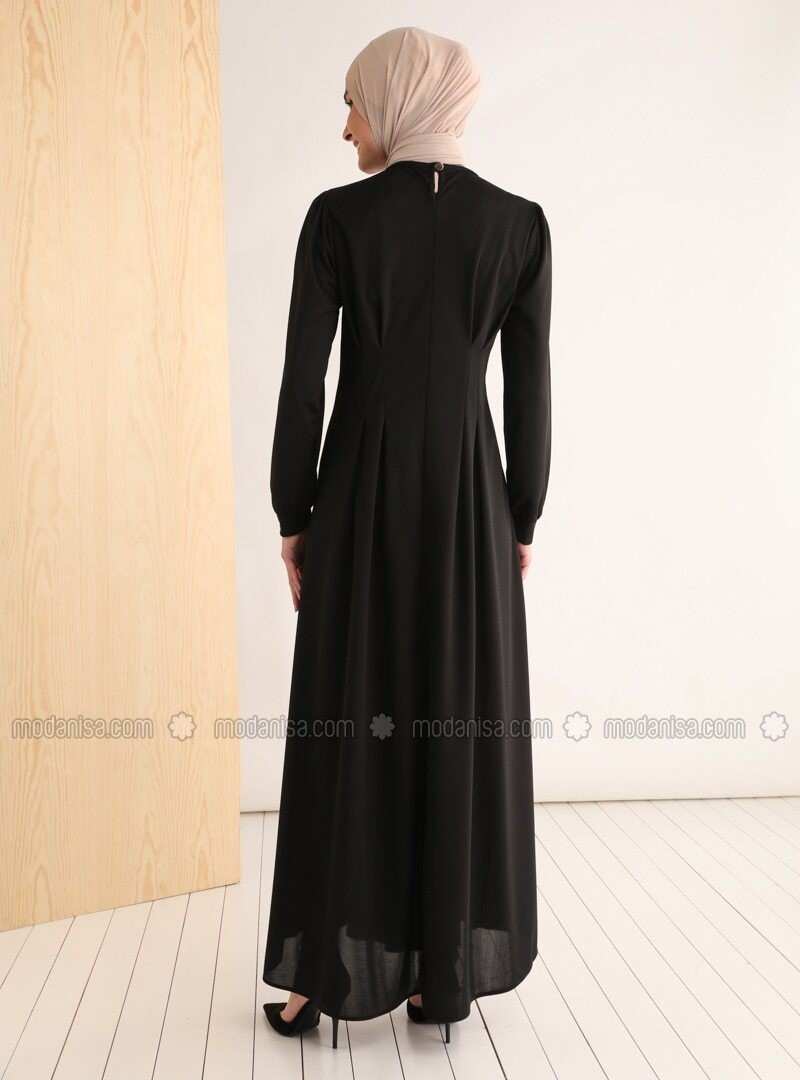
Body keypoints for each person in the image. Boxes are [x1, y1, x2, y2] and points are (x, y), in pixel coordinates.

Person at [262, 26, 552, 1048]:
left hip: (359, 493)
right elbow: (529, 390)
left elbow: (304, 382)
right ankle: (442, 976)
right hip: (471, 496)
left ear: (394, 100)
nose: (347, 125)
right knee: (453, 715)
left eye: (354, 101)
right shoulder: (518, 226)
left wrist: (293, 514)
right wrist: (520, 514)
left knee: (352, 715)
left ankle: (319, 979)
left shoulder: (338, 219)